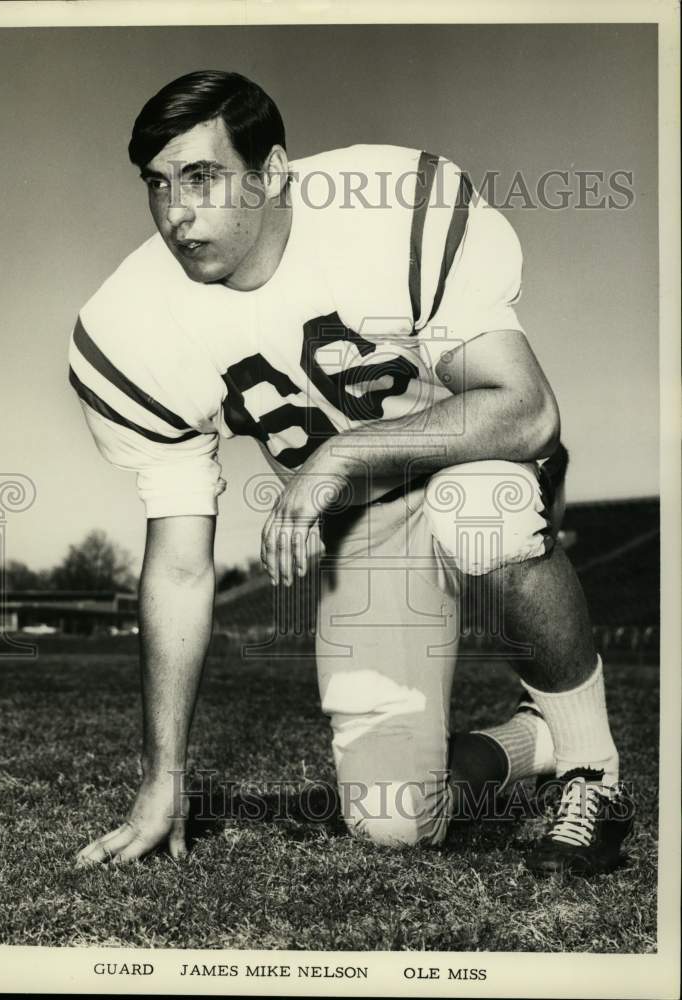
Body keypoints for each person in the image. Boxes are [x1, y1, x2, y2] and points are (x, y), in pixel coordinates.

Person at [69, 70, 633, 875]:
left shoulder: (385, 207)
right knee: (393, 821)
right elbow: (182, 566)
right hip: (364, 527)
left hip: (472, 461)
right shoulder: (130, 325)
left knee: (478, 509)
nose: (177, 215)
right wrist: (164, 777)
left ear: (272, 172)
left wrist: (340, 453)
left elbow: (526, 409)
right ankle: (537, 737)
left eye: (201, 177)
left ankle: (591, 774)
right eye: (156, 186)